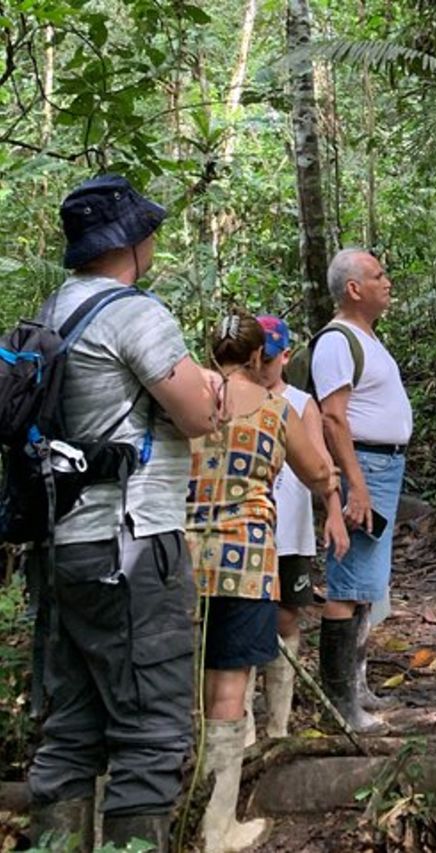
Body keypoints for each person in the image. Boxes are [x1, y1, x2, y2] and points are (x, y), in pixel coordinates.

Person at [27, 174, 226, 852]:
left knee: (71, 732)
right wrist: (214, 389)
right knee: (152, 734)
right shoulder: (134, 312)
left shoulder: (51, 312)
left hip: (61, 547)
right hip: (131, 544)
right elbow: (198, 414)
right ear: (134, 241)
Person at [186, 308, 343, 852]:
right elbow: (316, 471)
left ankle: (183, 806)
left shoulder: (187, 402)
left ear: (212, 354)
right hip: (246, 561)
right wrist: (332, 476)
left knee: (191, 683)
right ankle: (217, 826)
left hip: (182, 561)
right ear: (258, 356)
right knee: (229, 687)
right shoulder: (276, 409)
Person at [313, 249, 413, 734]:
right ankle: (338, 705)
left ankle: (356, 686)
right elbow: (333, 418)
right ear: (354, 288)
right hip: (366, 465)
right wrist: (355, 485)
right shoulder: (337, 341)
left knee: (366, 584)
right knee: (348, 582)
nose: (387, 282)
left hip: (382, 466)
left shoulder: (367, 337)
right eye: (378, 275)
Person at [244, 314, 347, 741]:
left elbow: (321, 466)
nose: (262, 367)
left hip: (291, 532)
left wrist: (335, 513)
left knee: (287, 617)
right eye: (256, 359)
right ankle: (244, 727)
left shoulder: (302, 402)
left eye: (269, 359)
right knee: (249, 621)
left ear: (285, 356)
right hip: (248, 532)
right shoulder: (235, 398)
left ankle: (279, 725)